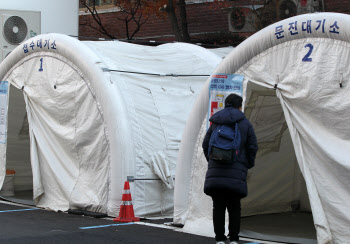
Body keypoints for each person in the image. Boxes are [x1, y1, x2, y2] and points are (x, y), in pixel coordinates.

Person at [202, 93, 258, 244]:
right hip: (236, 173)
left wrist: (212, 161)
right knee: (234, 207)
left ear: (225, 104)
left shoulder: (216, 122)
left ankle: (220, 239)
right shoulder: (245, 124)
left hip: (216, 171)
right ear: (240, 106)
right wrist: (246, 164)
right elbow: (252, 146)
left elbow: (205, 144)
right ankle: (233, 239)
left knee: (218, 207)